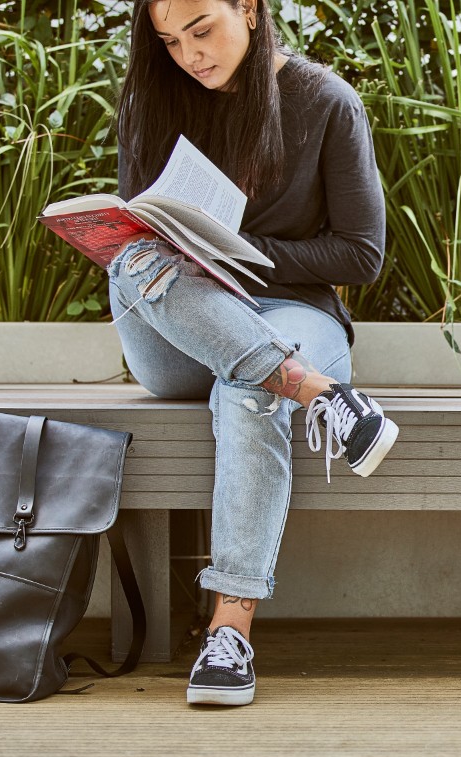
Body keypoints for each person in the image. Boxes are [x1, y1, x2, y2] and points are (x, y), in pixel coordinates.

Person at [108, 0, 397, 706]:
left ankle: (228, 632)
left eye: (201, 29)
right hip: (179, 336)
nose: (189, 55)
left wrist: (235, 256)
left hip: (292, 313)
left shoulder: (326, 101)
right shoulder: (156, 96)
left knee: (250, 383)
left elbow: (361, 254)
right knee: (128, 259)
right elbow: (139, 237)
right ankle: (321, 394)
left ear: (250, 7)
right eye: (170, 41)